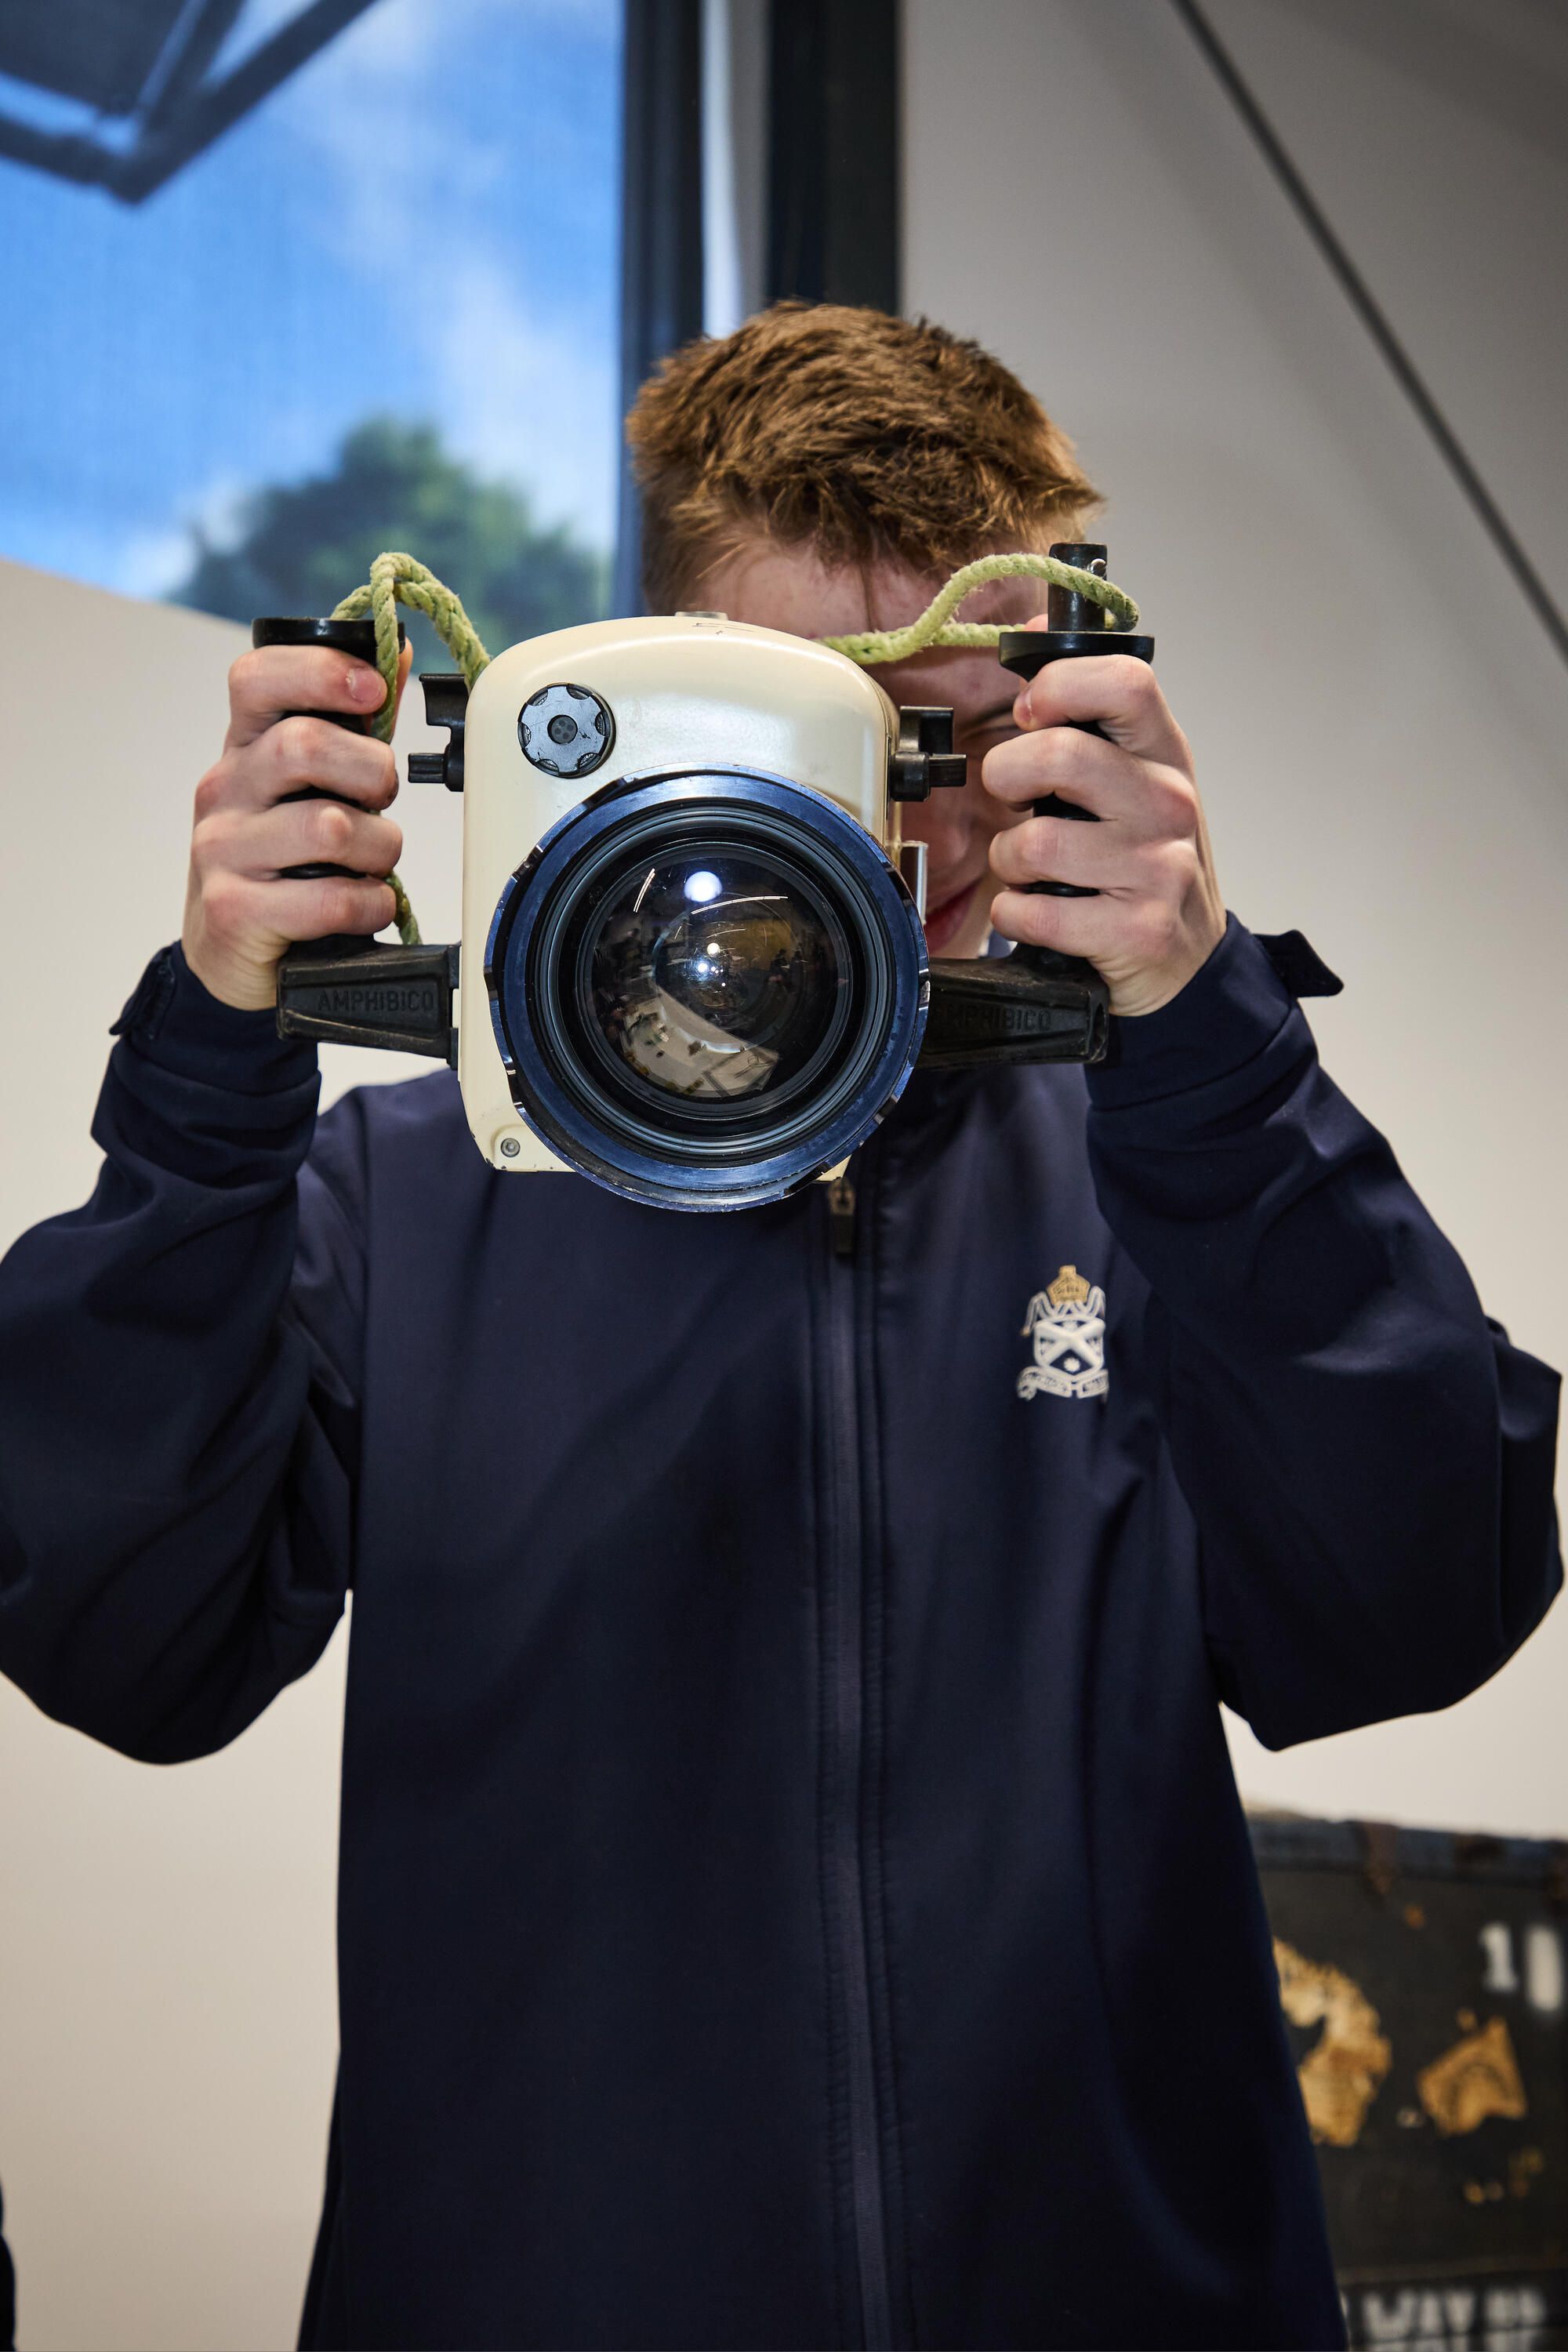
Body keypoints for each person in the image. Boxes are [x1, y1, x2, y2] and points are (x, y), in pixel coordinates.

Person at [0, 304, 1559, 2352]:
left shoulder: (1157, 1169)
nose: (885, 841)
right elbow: (123, 1647)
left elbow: (1424, 1606)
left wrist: (1213, 1053)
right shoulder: (404, 1188)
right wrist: (213, 1064)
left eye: (943, 746)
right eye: (803, 739)